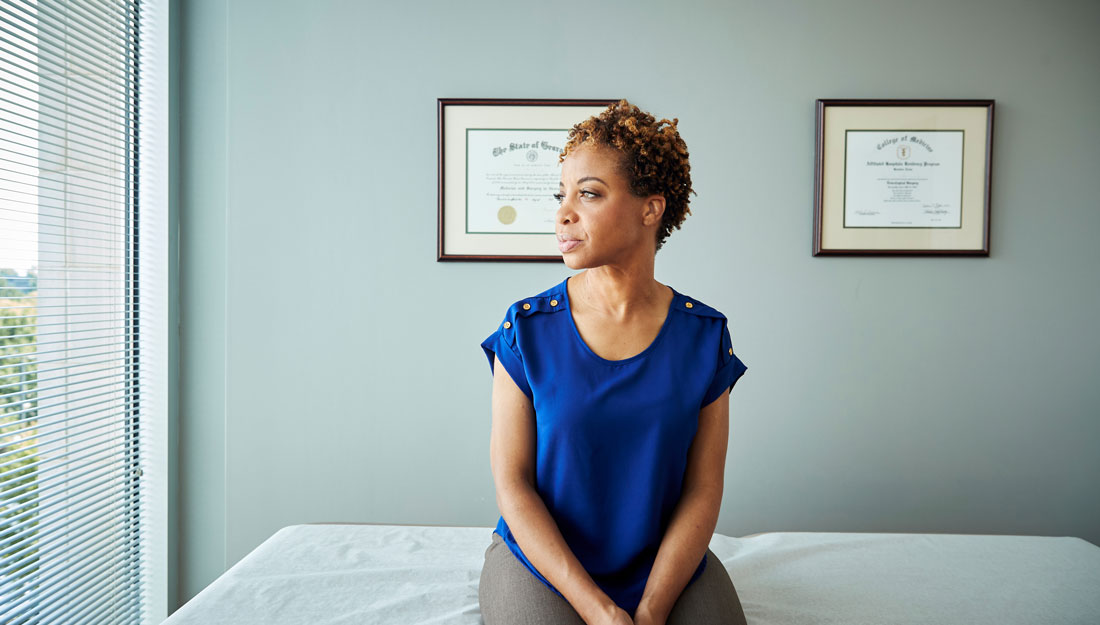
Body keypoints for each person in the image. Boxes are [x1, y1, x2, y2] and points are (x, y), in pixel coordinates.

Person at [477, 100, 749, 625]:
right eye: (562, 195)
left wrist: (650, 609)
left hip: (665, 565)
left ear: (651, 209)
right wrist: (598, 609)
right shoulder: (525, 329)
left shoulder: (704, 336)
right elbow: (512, 484)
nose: (563, 212)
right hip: (542, 563)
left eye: (590, 194)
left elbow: (703, 489)